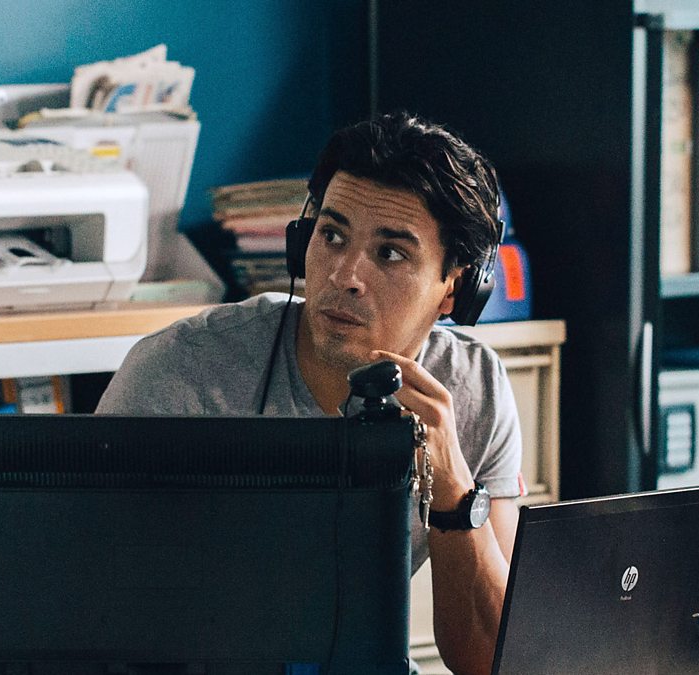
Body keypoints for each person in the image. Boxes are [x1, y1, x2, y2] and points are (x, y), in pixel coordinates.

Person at [96, 112, 521, 675]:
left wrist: (453, 489)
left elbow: (493, 660)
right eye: (332, 235)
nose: (345, 275)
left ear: (453, 289)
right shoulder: (183, 371)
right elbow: (87, 613)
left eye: (391, 253)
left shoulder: (475, 389)